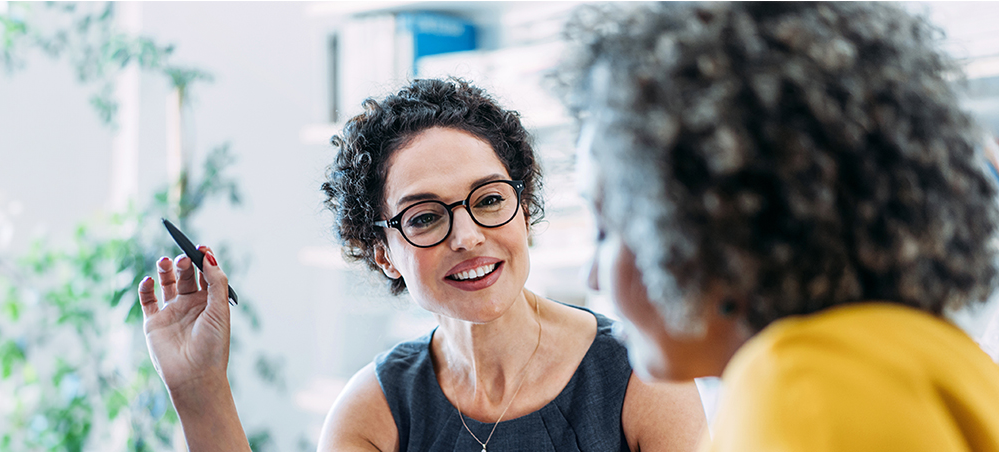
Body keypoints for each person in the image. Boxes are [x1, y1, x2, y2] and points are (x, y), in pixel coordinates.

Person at [138, 78, 707, 452]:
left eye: (488, 200)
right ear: (383, 252)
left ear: (523, 210)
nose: (467, 236)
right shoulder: (374, 412)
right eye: (425, 217)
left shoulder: (642, 376)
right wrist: (199, 389)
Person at [555, 2, 999, 450]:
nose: (591, 276)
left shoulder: (798, 392)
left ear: (715, 225)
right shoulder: (939, 360)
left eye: (605, 229)